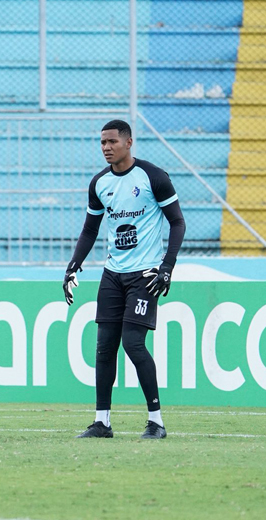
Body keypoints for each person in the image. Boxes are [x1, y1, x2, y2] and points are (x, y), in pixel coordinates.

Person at [63, 119, 186, 440]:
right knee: (104, 348)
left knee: (133, 343)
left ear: (129, 143)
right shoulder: (99, 183)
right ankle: (101, 422)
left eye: (112, 142)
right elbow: (90, 229)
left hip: (144, 275)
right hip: (112, 275)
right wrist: (73, 266)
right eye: (102, 142)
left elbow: (177, 223)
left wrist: (167, 266)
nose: (106, 147)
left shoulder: (153, 177)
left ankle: (156, 422)